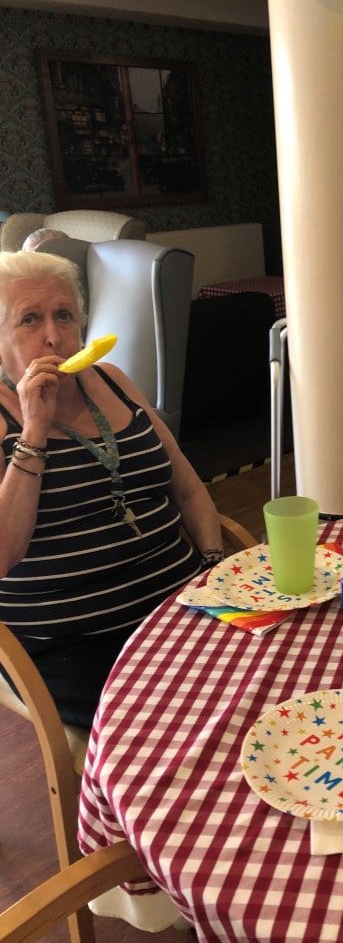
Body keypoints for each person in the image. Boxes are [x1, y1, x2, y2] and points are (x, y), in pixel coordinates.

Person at [0, 250, 223, 727]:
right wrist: (34, 431)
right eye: (29, 319)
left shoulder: (112, 380)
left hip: (183, 604)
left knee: (274, 667)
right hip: (75, 644)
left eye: (64, 315)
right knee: (192, 718)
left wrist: (212, 567)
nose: (54, 336)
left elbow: (187, 487)